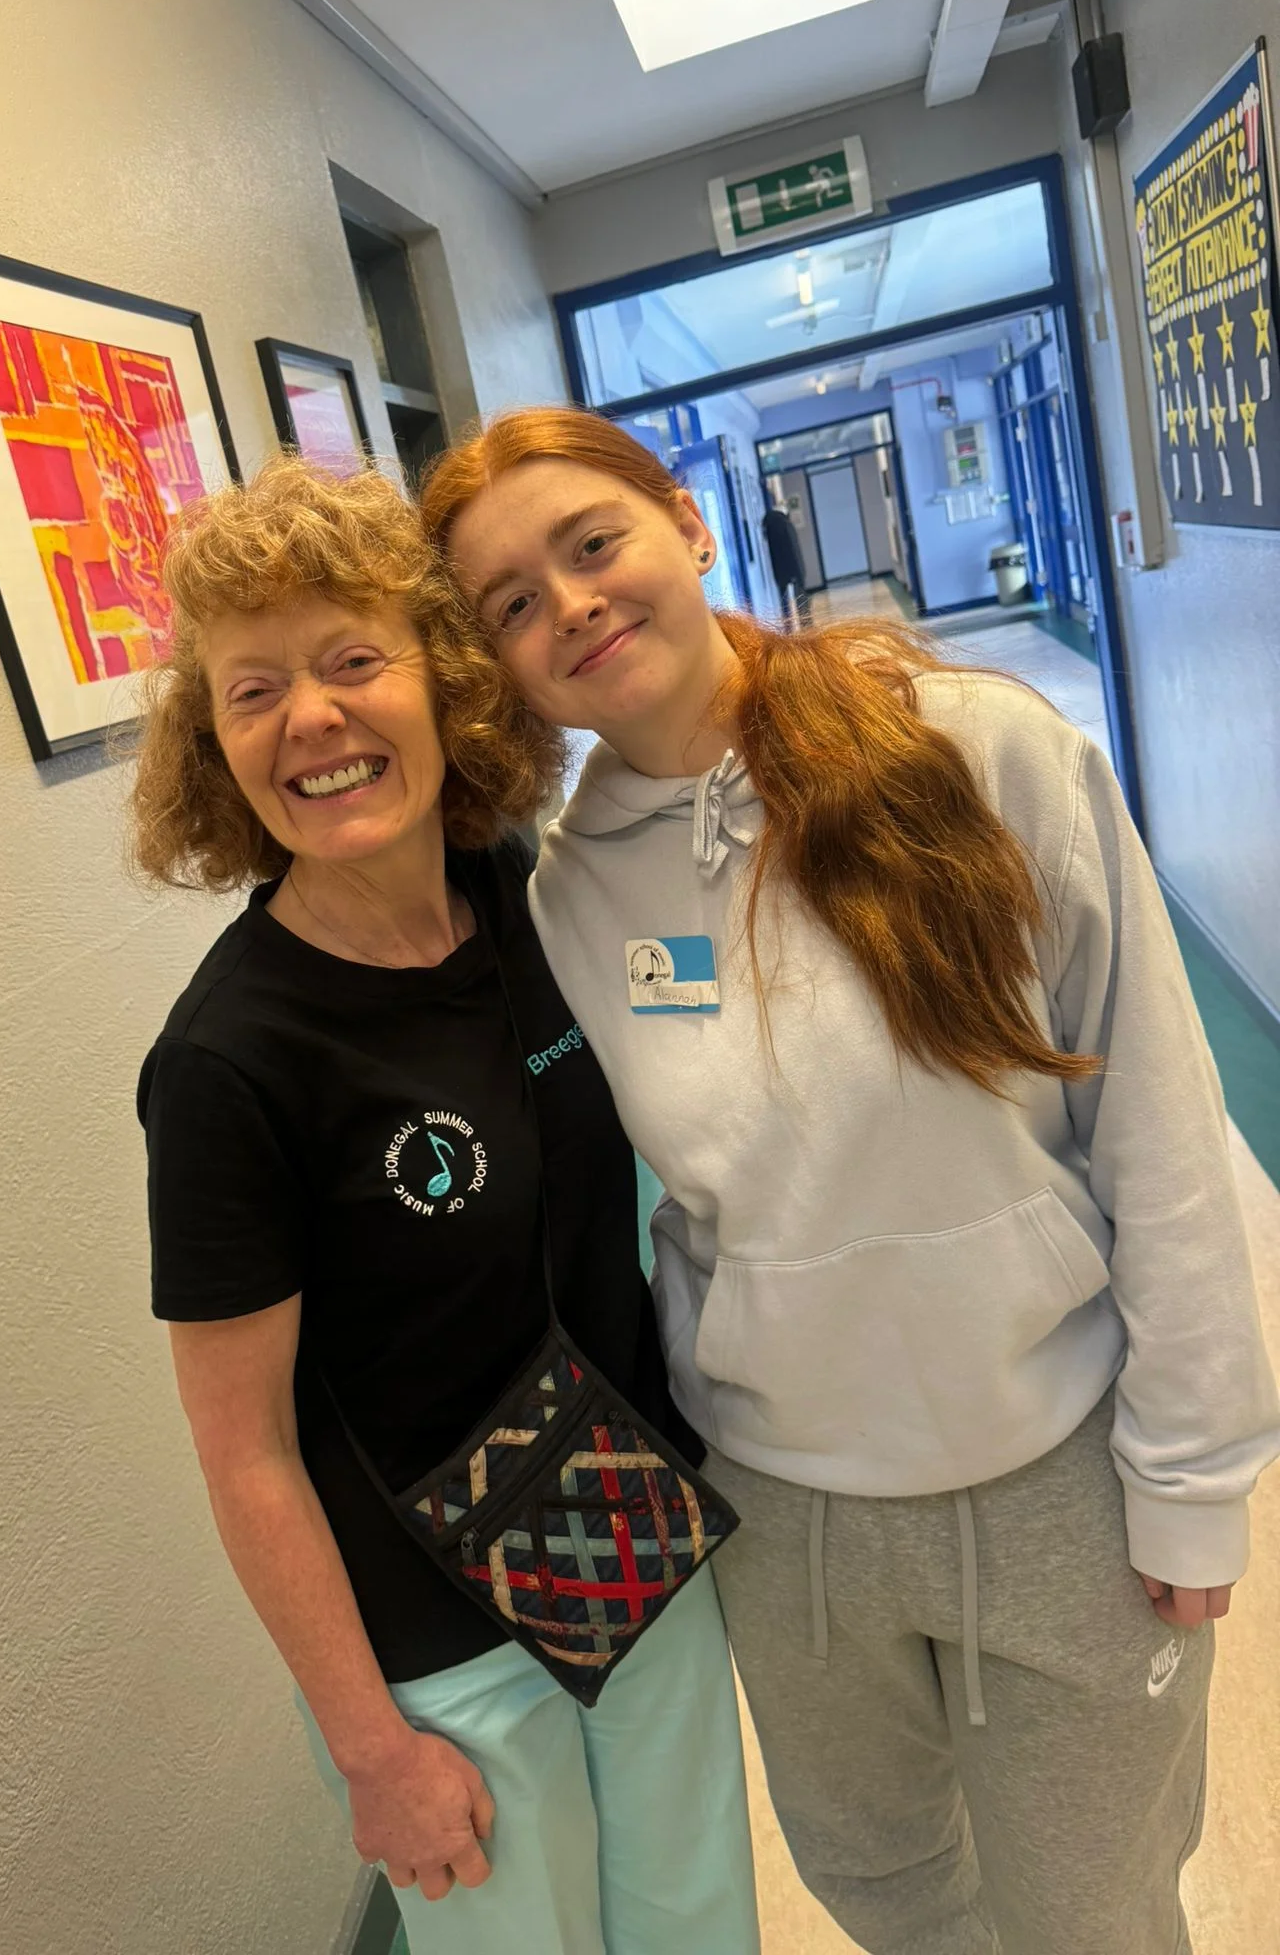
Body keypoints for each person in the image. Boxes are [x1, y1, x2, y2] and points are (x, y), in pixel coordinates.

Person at [421, 407, 1280, 1955]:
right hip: (789, 1514)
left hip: (1059, 1475)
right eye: (513, 603)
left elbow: (1157, 1122)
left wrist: (1194, 1478)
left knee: (1093, 1915)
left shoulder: (974, 750)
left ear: (688, 525)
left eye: (593, 544)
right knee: (888, 1894)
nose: (573, 606)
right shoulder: (563, 896)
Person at [131, 456, 757, 1955]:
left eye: (354, 662)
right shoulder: (229, 1062)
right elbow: (246, 1452)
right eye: (254, 691)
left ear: (446, 684)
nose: (313, 718)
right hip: (441, 1654)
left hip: (630, 1544)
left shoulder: (519, 893)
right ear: (216, 747)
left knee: (699, 1932)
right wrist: (371, 1752)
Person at [759, 497, 808, 627]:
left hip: (779, 569)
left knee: (783, 598)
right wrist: (800, 572)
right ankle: (804, 622)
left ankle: (787, 623)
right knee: (800, 596)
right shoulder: (785, 524)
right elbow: (794, 548)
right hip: (793, 568)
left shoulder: (769, 524)